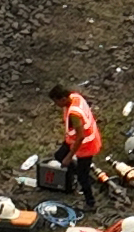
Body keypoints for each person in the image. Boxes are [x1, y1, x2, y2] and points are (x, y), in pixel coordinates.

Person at [53, 84, 103, 215]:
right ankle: (80, 174)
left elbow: (80, 137)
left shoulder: (74, 114)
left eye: (56, 101)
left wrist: (69, 156)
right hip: (76, 140)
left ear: (63, 99)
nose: (56, 104)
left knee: (82, 176)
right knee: (59, 155)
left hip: (86, 146)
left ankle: (90, 202)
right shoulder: (75, 97)